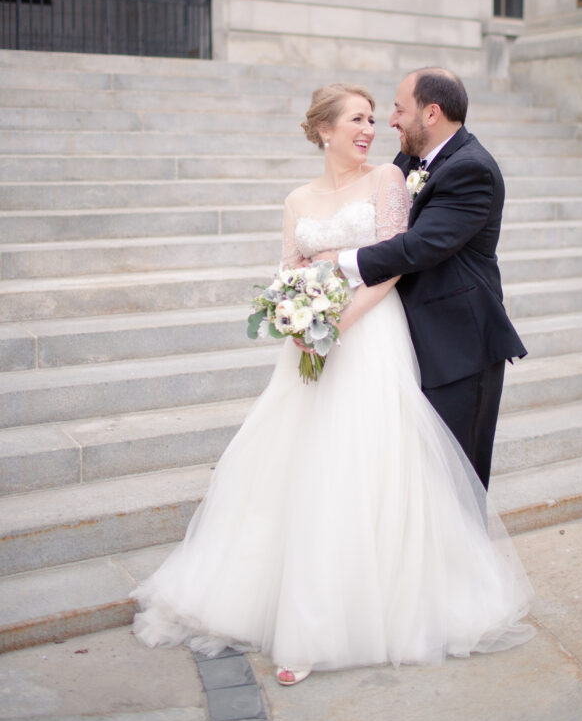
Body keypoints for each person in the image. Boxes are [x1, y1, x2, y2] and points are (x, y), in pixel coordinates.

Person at [133, 83, 534, 687]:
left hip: (373, 337)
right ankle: (282, 602)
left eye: (382, 115)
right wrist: (295, 315)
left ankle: (343, 620)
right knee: (299, 466)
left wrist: (336, 317)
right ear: (324, 130)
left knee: (366, 466)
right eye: (360, 118)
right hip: (312, 347)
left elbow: (400, 256)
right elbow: (289, 265)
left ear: (427, 111)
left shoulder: (397, 179)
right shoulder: (305, 195)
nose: (376, 126)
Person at [335, 69, 527, 490]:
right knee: (418, 486)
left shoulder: (472, 169)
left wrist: (338, 262)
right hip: (410, 342)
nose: (391, 121)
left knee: (457, 483)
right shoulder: (409, 158)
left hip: (459, 348)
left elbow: (417, 248)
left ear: (432, 113)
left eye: (399, 109)